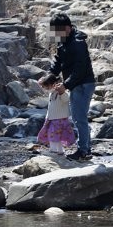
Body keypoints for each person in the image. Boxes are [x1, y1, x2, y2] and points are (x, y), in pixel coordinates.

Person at [46, 13, 95, 161]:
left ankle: (84, 151)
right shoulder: (63, 40)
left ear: (67, 28)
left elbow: (80, 69)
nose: (55, 35)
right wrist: (49, 76)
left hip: (83, 84)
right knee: (79, 117)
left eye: (57, 31)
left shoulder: (78, 43)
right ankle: (85, 148)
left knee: (79, 118)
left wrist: (66, 85)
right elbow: (58, 59)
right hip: (76, 84)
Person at [36, 75, 76, 155]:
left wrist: (62, 92)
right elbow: (51, 107)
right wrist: (47, 117)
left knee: (53, 135)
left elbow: (66, 99)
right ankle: (60, 150)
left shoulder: (61, 93)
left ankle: (54, 150)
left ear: (53, 84)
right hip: (52, 118)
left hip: (59, 119)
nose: (46, 90)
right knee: (57, 136)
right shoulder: (52, 94)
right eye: (44, 88)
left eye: (47, 87)